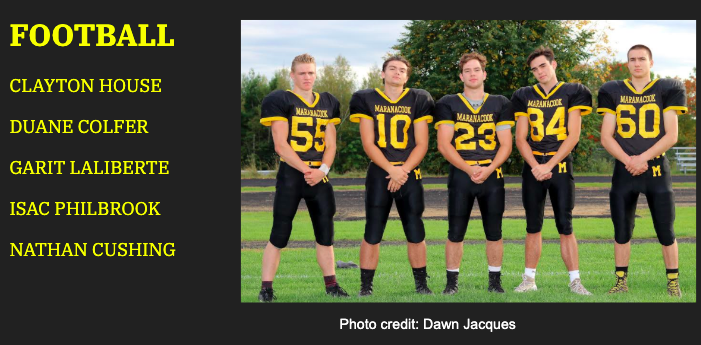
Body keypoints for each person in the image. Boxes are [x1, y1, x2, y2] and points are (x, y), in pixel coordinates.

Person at [598, 44, 688, 297]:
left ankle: (673, 282)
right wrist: (630, 160)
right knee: (621, 229)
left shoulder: (668, 88)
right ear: (627, 63)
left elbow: (672, 135)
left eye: (641, 59)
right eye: (632, 59)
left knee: (666, 230)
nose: (637, 63)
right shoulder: (612, 90)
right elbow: (606, 137)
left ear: (651, 62)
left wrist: (643, 159)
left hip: (656, 169)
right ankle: (620, 281)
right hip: (625, 169)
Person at [258, 53, 348, 302]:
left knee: (325, 234)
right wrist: (307, 170)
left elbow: (331, 144)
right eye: (302, 73)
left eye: (311, 72)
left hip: (320, 176)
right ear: (292, 74)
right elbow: (281, 145)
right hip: (293, 175)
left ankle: (332, 286)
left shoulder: (328, 102)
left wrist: (323, 170)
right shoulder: (280, 99)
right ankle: (266, 289)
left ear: (316, 73)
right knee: (279, 234)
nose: (307, 77)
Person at [349, 55, 435, 296]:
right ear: (383, 74)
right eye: (392, 69)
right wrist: (392, 170)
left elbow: (422, 143)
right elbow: (368, 143)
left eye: (402, 70)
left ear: (407, 77)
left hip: (409, 172)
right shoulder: (366, 98)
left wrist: (403, 171)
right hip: (380, 172)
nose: (397, 73)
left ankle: (421, 285)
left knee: (415, 230)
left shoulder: (418, 98)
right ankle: (365, 288)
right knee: (373, 231)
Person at [511, 46, 593, 295]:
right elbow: (520, 138)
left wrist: (549, 165)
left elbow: (573, 135)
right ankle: (529, 279)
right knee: (532, 225)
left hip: (559, 165)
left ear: (553, 64)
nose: (539, 72)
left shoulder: (574, 91)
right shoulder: (524, 95)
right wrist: (536, 166)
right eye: (534, 69)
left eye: (543, 66)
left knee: (565, 225)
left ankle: (575, 281)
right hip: (533, 167)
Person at [434, 52, 514, 294]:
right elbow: (444, 144)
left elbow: (506, 144)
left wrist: (489, 169)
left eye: (476, 70)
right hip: (461, 172)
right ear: (461, 75)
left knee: (494, 230)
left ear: (484, 74)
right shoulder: (448, 102)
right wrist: (469, 169)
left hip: (492, 172)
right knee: (455, 231)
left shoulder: (500, 102)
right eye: (467, 70)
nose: (472, 74)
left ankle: (495, 282)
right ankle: (452, 283)